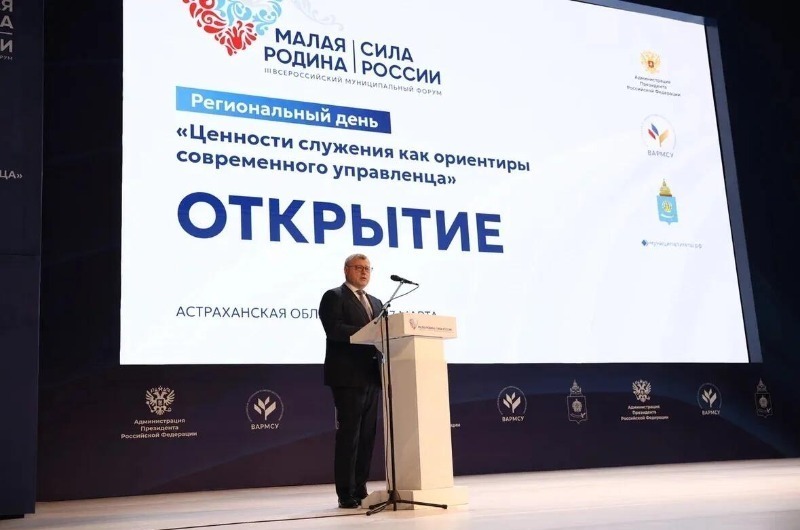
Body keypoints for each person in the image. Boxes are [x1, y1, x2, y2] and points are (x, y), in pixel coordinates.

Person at [318, 253, 383, 509]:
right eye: (358, 267)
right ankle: (345, 493)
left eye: (368, 268)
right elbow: (334, 330)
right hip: (347, 376)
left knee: (367, 436)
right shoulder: (334, 296)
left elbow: (383, 334)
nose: (364, 272)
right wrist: (368, 332)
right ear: (346, 270)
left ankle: (360, 489)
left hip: (372, 377)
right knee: (350, 436)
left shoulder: (377, 302)